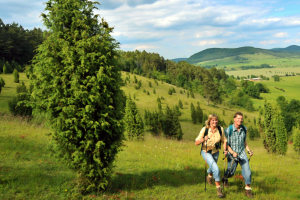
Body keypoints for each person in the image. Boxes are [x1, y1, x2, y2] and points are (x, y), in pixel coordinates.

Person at [223, 112, 254, 198]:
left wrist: (249, 150)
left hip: (242, 153)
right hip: (232, 154)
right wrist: (232, 152)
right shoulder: (228, 130)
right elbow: (226, 143)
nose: (240, 120)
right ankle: (225, 178)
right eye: (238, 118)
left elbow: (244, 142)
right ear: (234, 119)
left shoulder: (244, 129)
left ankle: (248, 189)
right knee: (231, 172)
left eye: (241, 119)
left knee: (247, 171)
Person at [195, 114, 226, 198]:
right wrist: (203, 139)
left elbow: (224, 140)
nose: (214, 122)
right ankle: (219, 189)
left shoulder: (220, 129)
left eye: (216, 120)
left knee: (213, 168)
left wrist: (225, 149)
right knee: (216, 168)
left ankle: (209, 176)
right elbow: (196, 143)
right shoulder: (204, 129)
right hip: (206, 151)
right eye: (212, 120)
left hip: (216, 152)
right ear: (209, 121)